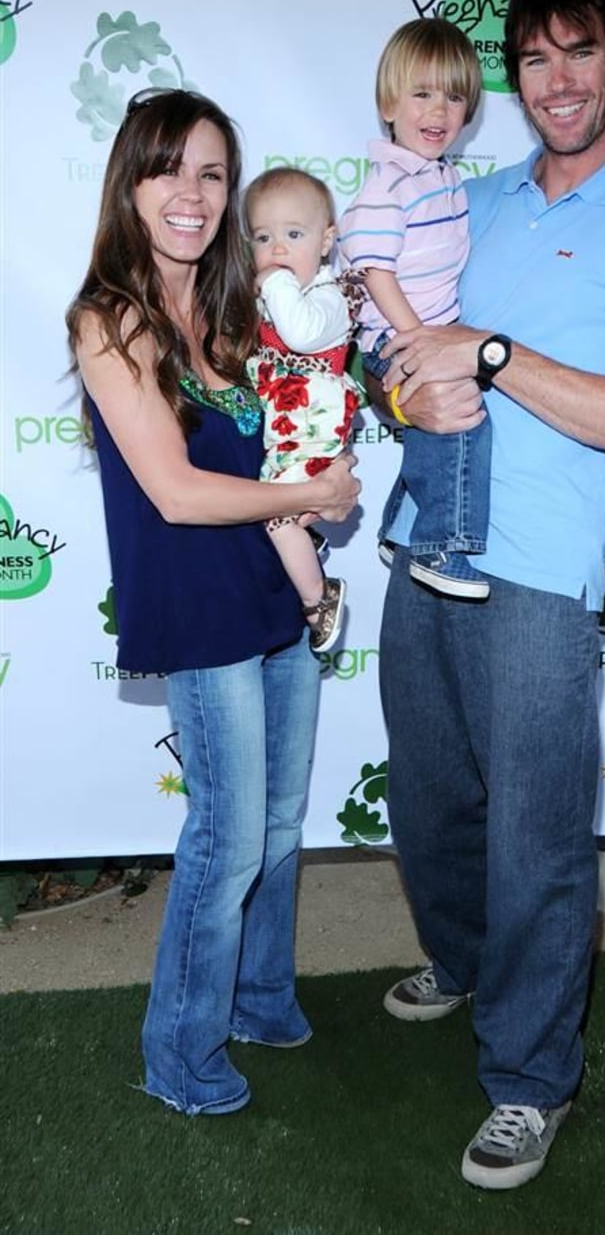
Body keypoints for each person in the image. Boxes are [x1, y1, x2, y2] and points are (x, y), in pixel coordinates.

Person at [368, 0, 605, 1188]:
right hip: (423, 540)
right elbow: (410, 340)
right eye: (534, 56)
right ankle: (463, 962)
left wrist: (494, 353)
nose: (557, 78)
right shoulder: (482, 202)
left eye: (580, 50)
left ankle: (528, 1078)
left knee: (535, 842)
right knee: (428, 804)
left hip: (537, 580)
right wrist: (392, 370)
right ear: (512, 75)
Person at [66, 89, 360, 1116]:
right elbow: (178, 492)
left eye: (211, 173)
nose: (190, 194)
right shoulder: (109, 318)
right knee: (226, 839)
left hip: (273, 599)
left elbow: (293, 427)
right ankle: (180, 1057)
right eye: (168, 169)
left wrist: (329, 458)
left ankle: (259, 1000)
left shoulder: (244, 309)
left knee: (279, 826)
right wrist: (313, 495)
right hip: (198, 612)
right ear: (130, 184)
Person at [339, 17, 490, 599]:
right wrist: (418, 340)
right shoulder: (391, 183)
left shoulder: (443, 175)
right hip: (394, 339)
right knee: (461, 421)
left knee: (437, 430)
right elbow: (374, 270)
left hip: (429, 332)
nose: (439, 111)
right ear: (388, 103)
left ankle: (399, 526)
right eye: (422, 94)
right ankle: (440, 549)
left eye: (454, 96)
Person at [244, 167, 364, 653]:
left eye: (294, 235)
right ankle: (305, 548)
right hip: (280, 425)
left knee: (277, 516)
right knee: (269, 510)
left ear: (325, 241)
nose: (277, 250)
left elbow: (299, 334)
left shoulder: (332, 297)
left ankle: (319, 598)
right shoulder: (275, 297)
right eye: (263, 237)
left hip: (311, 424)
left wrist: (273, 286)